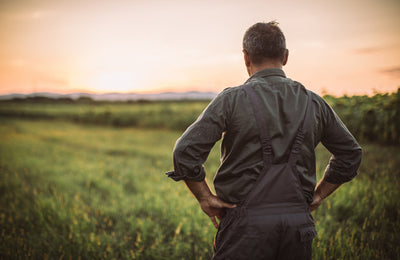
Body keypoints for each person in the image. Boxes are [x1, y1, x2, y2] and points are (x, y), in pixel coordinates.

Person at [166, 21, 362, 259]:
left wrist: (205, 197)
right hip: (298, 225)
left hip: (244, 226)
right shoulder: (314, 103)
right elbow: (350, 153)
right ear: (286, 56)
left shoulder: (231, 100)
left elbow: (185, 151)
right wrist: (319, 194)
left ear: (246, 57)